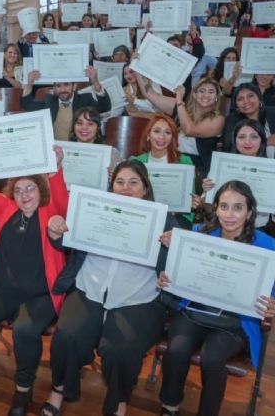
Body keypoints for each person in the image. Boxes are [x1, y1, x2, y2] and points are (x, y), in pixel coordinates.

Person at [42, 160, 175, 416]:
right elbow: (65, 243)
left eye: (133, 182)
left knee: (120, 350)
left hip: (138, 297)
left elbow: (175, 269)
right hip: (89, 287)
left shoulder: (163, 220)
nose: (126, 188)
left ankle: (118, 401)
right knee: (67, 337)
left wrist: (173, 246)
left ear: (145, 188)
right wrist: (56, 231)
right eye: (120, 182)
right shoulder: (95, 209)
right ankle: (60, 389)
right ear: (111, 185)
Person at [0, 145, 69, 416]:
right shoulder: (6, 207)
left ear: (40, 189)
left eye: (30, 188)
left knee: (24, 331)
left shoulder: (51, 210)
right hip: (1, 288)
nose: (24, 195)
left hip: (40, 293)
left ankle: (23, 392)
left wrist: (55, 168)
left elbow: (62, 199)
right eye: (19, 190)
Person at [157, 180, 275, 416]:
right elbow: (178, 274)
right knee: (177, 349)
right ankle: (169, 406)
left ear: (250, 212)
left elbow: (271, 286)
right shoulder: (199, 234)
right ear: (215, 208)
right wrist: (167, 277)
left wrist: (272, 302)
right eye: (224, 206)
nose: (230, 214)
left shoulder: (265, 243)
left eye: (238, 207)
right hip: (195, 312)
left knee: (212, 358)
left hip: (234, 320)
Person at [137, 73, 225, 173]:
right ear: (194, 95)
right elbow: (150, 93)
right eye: (202, 91)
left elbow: (189, 130)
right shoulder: (181, 107)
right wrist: (137, 68)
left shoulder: (218, 119)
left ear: (217, 97)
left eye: (211, 92)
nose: (206, 95)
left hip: (199, 168)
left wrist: (179, 100)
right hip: (172, 159)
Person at [131, 115, 199, 227]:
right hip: (144, 214)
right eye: (157, 131)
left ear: (173, 138)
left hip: (177, 216)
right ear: (148, 135)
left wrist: (191, 202)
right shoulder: (136, 161)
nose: (162, 137)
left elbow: (189, 198)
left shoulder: (185, 161)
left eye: (168, 133)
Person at [20, 66, 111, 140]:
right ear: (55, 89)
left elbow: (105, 107)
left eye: (66, 85)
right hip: (55, 147)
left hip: (78, 146)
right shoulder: (49, 101)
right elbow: (27, 105)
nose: (62, 90)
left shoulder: (85, 99)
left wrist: (95, 82)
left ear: (74, 87)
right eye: (58, 86)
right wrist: (29, 84)